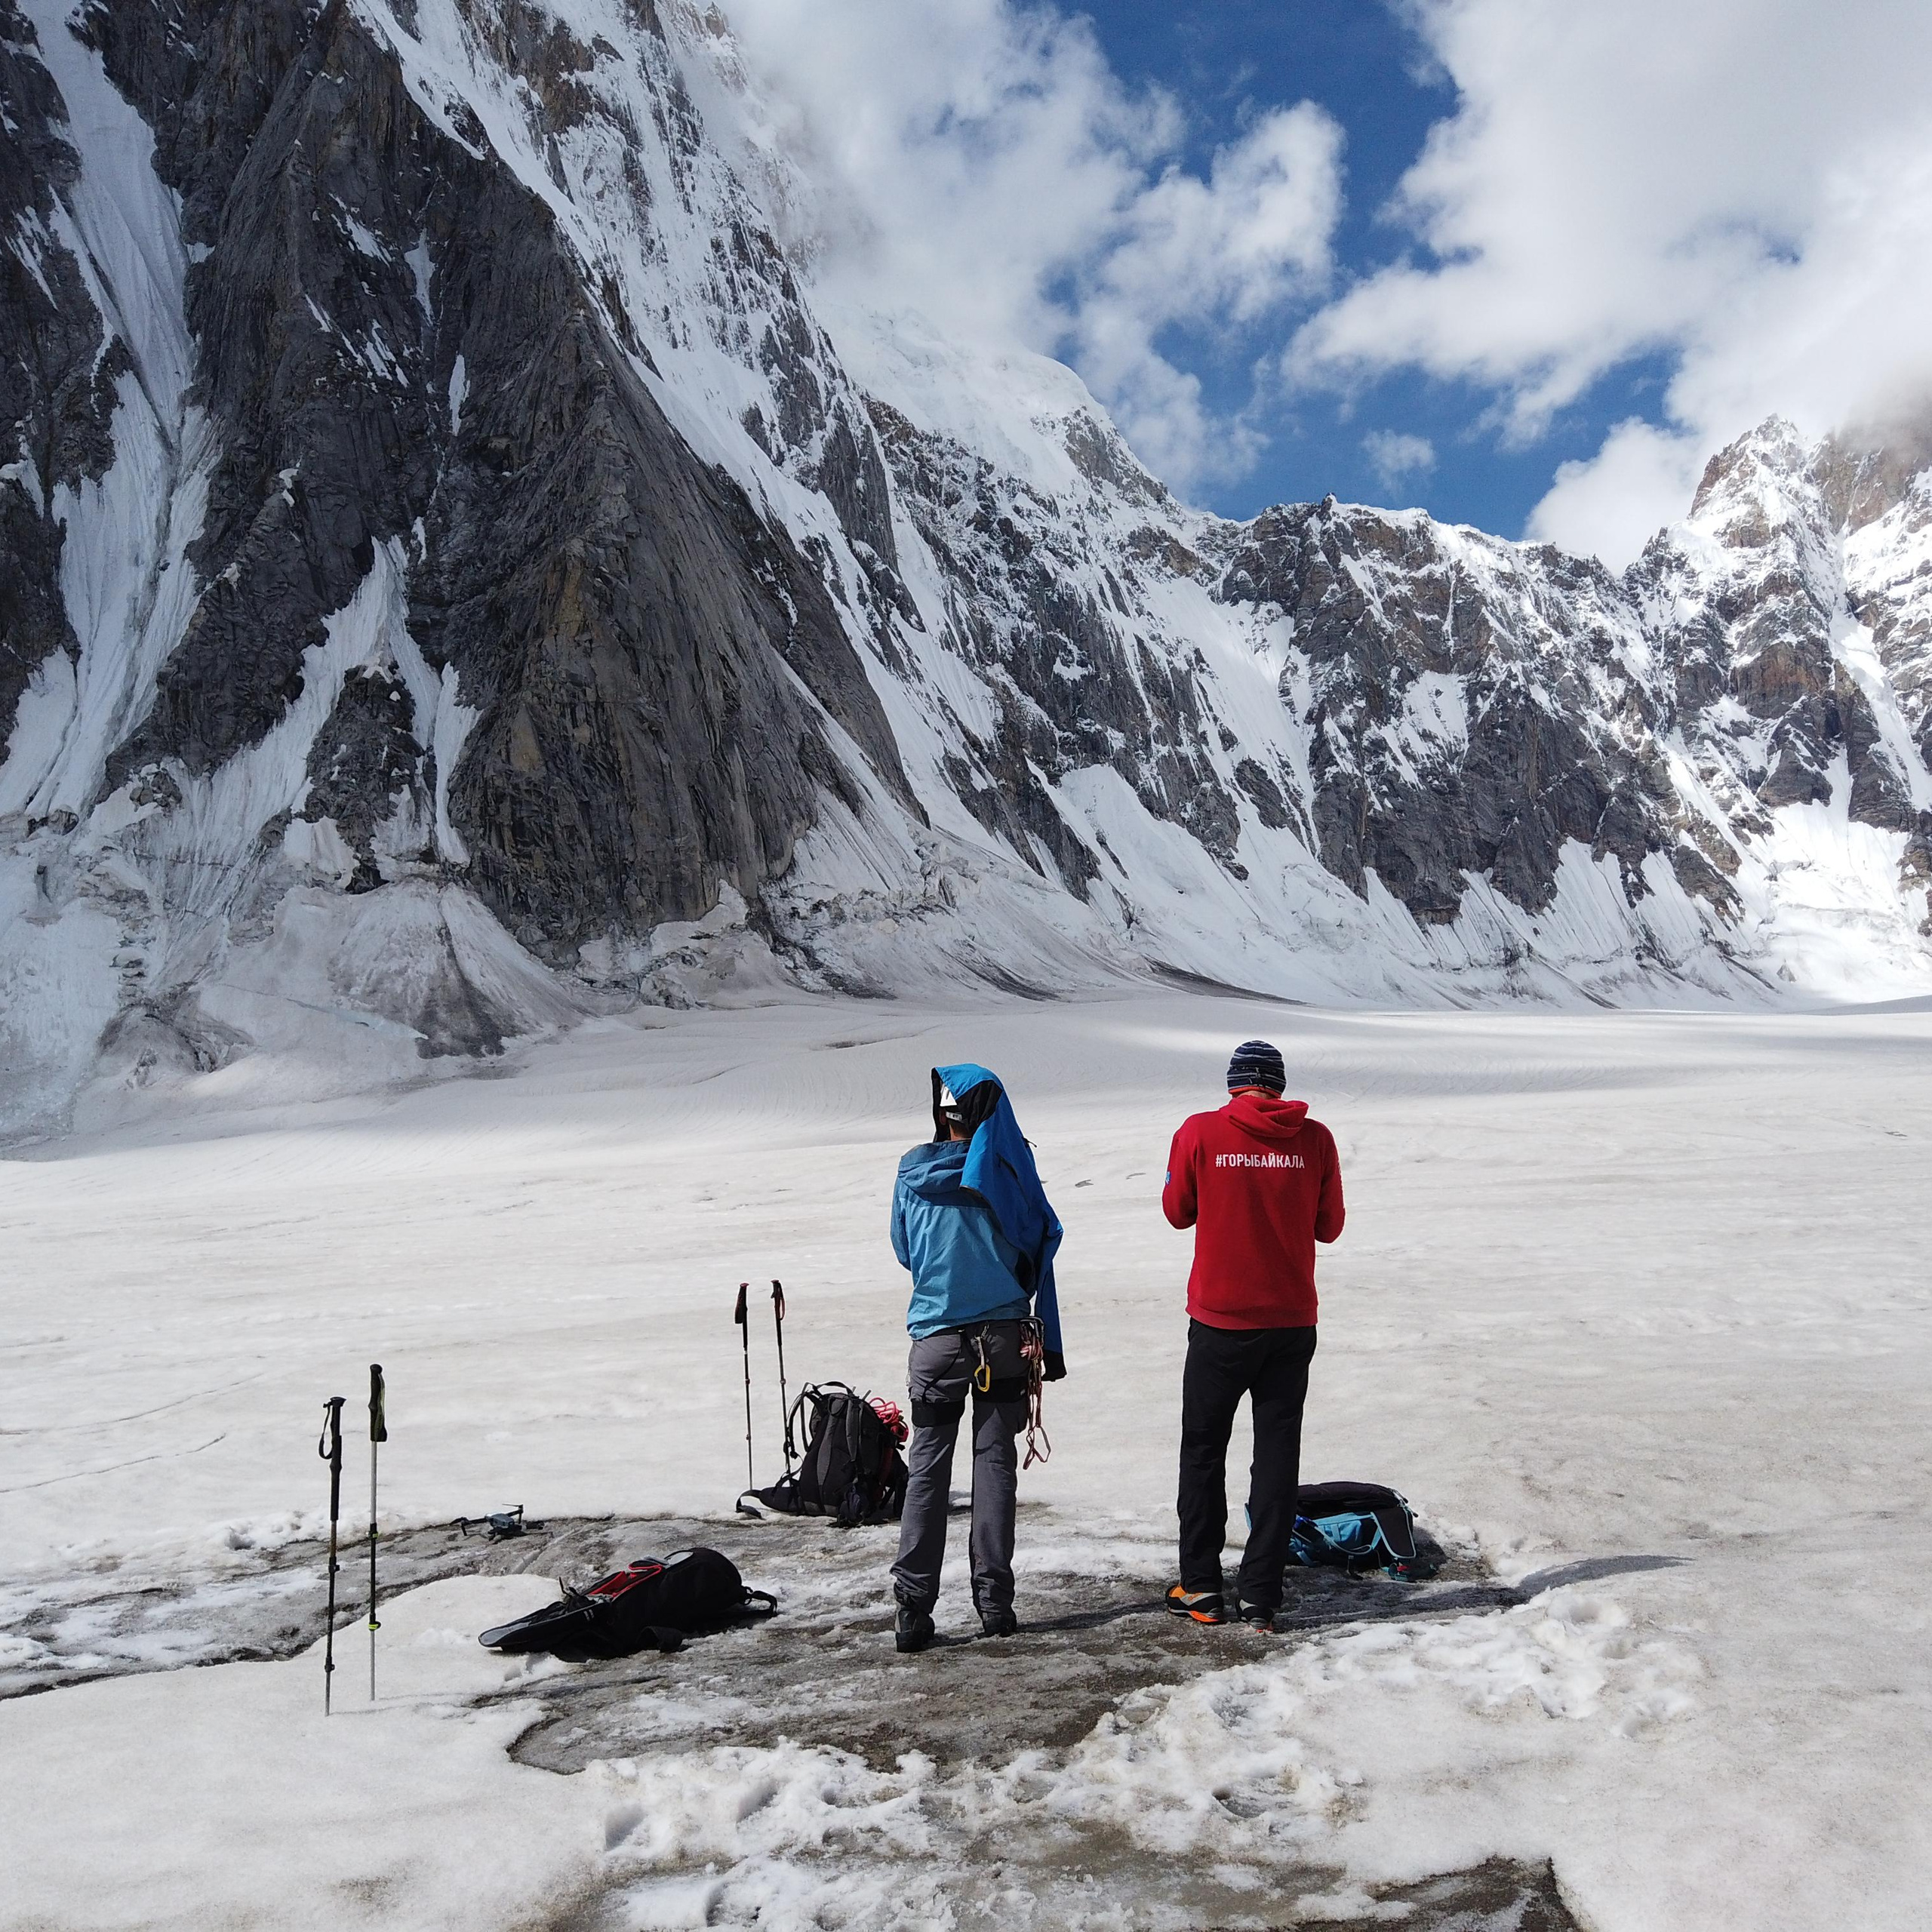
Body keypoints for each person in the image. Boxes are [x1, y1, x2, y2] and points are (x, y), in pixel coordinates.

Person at [1161, 1038, 1344, 1630]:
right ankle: (1261, 1596)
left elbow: (1176, 1210)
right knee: (1276, 1458)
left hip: (1219, 1322)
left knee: (1203, 1450)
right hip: (1291, 1323)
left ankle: (1204, 1588)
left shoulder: (1200, 1132)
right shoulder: (1316, 1140)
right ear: (1280, 1086)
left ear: (1234, 1084)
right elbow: (1330, 1227)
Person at [888, 1063, 1066, 1653]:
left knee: (927, 1469)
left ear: (941, 1115)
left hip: (936, 1338)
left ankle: (913, 1610)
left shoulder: (912, 1171)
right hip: (1004, 1338)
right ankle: (994, 1605)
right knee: (994, 1466)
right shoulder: (1008, 1170)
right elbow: (1035, 1242)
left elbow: (905, 1251)